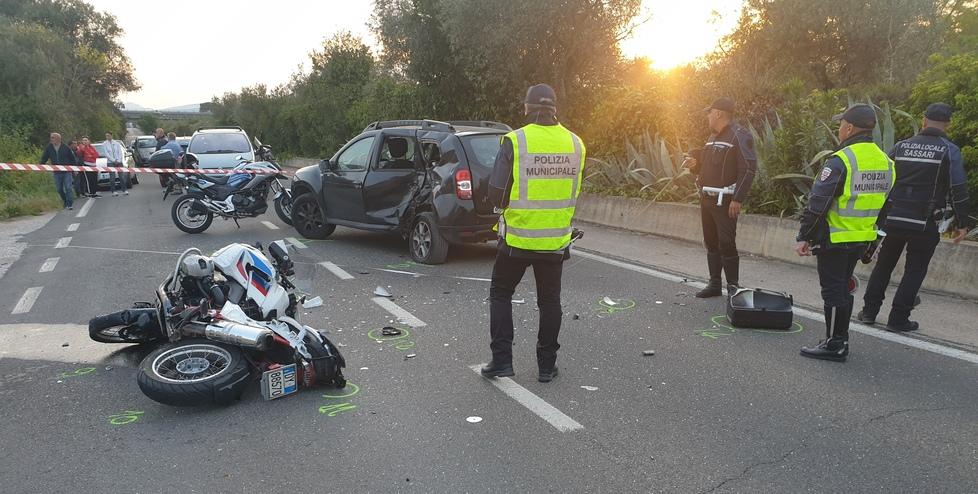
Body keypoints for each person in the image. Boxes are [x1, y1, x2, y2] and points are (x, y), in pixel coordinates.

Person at [480, 83, 585, 383]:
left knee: (501, 293)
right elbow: (575, 189)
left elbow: (498, 194)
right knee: (549, 302)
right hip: (554, 240)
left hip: (517, 238)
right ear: (554, 108)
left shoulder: (515, 140)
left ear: (527, 108)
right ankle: (546, 367)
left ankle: (502, 361)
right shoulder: (576, 143)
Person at [857, 103, 972, 332]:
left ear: (923, 121)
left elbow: (883, 178)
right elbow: (958, 187)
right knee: (915, 271)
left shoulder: (901, 146)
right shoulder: (949, 150)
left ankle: (869, 312)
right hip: (924, 222)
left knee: (883, 265)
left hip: (893, 219)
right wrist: (963, 223)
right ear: (948, 124)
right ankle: (898, 320)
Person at [796, 104, 895, 362]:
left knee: (833, 292)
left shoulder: (842, 160)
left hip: (835, 237)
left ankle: (834, 344)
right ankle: (841, 339)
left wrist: (805, 235)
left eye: (841, 124)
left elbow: (818, 203)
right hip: (861, 237)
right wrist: (874, 239)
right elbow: (886, 206)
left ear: (849, 128)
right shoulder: (886, 162)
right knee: (843, 289)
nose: (840, 129)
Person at [683, 97, 757, 297]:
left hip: (725, 201)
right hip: (707, 199)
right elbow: (707, 167)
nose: (707, 116)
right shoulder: (712, 137)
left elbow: (748, 169)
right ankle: (715, 284)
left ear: (718, 113)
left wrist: (737, 199)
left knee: (727, 243)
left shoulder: (739, 135)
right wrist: (695, 166)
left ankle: (733, 287)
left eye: (709, 112)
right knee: (711, 242)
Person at [38, 133, 76, 210]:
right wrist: (41, 165)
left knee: (68, 187)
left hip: (66, 171)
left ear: (58, 139)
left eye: (53, 138)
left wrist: (74, 169)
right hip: (57, 172)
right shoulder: (49, 147)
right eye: (51, 138)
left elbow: (72, 159)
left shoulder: (65, 147)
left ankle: (69, 204)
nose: (51, 139)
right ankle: (65, 201)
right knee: (59, 189)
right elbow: (44, 157)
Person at [103, 132, 128, 196]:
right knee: (112, 178)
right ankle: (113, 191)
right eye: (106, 136)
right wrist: (113, 160)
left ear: (111, 135)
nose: (107, 137)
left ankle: (124, 190)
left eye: (108, 135)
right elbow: (106, 154)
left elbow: (120, 152)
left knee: (121, 177)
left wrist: (118, 160)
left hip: (119, 161)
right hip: (110, 162)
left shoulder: (116, 143)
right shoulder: (104, 144)